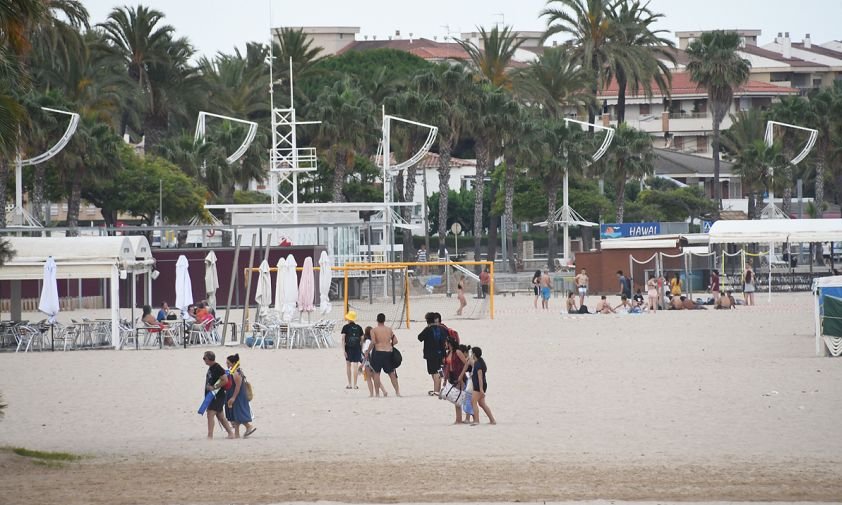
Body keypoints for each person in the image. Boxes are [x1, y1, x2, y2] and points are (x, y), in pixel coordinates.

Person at [202, 351, 234, 439]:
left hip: (217, 396)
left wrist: (214, 387)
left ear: (209, 359)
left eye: (204, 358)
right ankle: (231, 433)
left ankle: (210, 435)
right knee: (220, 416)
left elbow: (225, 380)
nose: (204, 360)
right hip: (213, 395)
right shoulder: (212, 367)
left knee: (210, 414)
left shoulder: (217, 367)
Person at [367, 313, 400, 397]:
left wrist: (368, 351)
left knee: (377, 373)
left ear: (377, 320)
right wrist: (390, 345)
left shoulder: (374, 330)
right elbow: (395, 341)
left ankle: (377, 394)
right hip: (388, 352)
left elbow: (373, 342)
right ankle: (397, 392)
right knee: (391, 373)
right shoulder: (389, 330)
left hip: (378, 353)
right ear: (384, 320)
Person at [224, 354, 256, 439]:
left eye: (228, 363)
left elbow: (238, 387)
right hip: (236, 395)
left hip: (238, 396)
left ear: (234, 363)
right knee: (236, 414)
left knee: (238, 413)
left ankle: (248, 427)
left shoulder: (236, 373)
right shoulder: (234, 371)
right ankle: (237, 433)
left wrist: (233, 397)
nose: (227, 365)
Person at [417, 312, 447, 396]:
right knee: (439, 371)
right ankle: (437, 389)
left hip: (430, 354)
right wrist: (444, 355)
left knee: (434, 372)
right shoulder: (441, 329)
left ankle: (436, 391)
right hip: (441, 353)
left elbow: (419, 338)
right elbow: (444, 342)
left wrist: (426, 328)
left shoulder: (428, 329)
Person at [443, 337, 469, 424]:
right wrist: (445, 379)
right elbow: (447, 367)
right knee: (455, 398)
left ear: (449, 343)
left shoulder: (457, 352)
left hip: (460, 376)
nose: (445, 344)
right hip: (452, 376)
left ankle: (465, 418)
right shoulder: (448, 353)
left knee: (461, 398)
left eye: (446, 343)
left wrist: (461, 376)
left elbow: (466, 364)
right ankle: (458, 419)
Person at [467, 347, 495, 426]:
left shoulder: (478, 364)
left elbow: (480, 377)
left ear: (474, 354)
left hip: (479, 386)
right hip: (480, 385)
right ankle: (492, 420)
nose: (471, 354)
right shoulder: (478, 362)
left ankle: (476, 420)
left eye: (472, 353)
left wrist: (481, 389)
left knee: (473, 402)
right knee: (482, 404)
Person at [340, 311, 363, 389]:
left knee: (348, 365)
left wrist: (343, 350)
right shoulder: (359, 327)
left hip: (348, 348)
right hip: (357, 347)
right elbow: (362, 339)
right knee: (355, 365)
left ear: (349, 319)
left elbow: (343, 339)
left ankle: (349, 384)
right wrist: (361, 349)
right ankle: (355, 385)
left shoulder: (345, 327)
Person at [362, 326, 386, 397]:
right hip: (375, 360)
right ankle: (384, 391)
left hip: (368, 361)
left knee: (369, 378)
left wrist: (363, 363)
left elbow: (366, 353)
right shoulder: (375, 341)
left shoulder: (367, 341)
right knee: (375, 378)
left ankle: (372, 394)